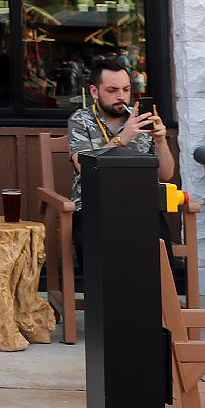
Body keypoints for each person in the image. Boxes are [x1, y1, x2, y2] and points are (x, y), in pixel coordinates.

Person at [65, 57, 176, 258]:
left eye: (126, 90)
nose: (121, 97)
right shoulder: (81, 120)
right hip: (94, 206)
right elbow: (84, 166)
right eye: (112, 90)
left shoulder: (141, 119)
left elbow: (166, 174)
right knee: (100, 256)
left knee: (157, 248)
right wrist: (123, 138)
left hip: (139, 204)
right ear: (94, 92)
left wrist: (160, 141)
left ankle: (157, 281)